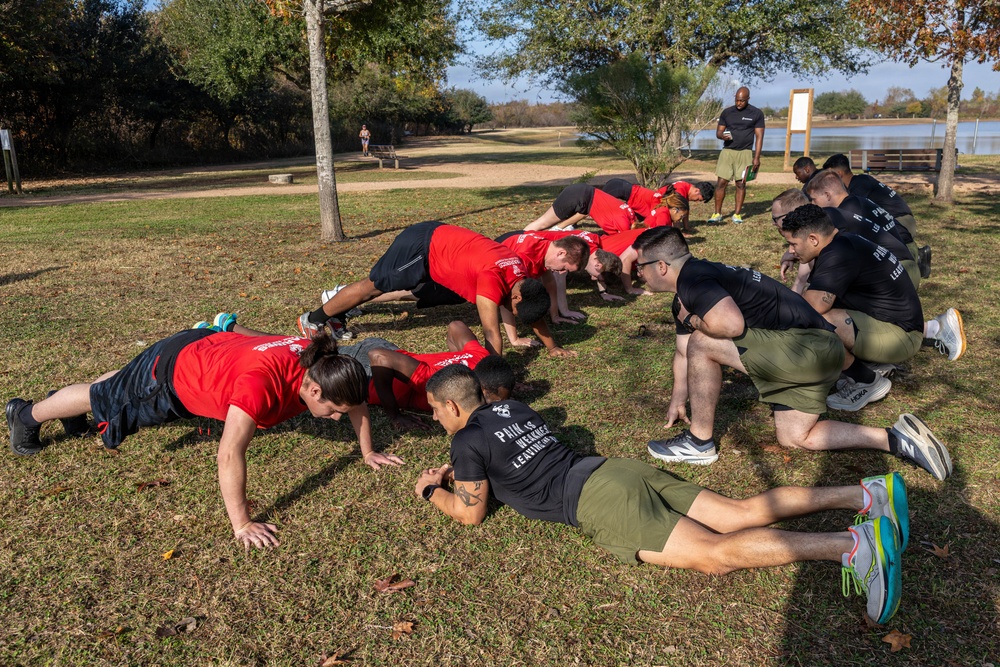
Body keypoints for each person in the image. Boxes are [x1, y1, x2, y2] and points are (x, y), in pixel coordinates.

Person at [415, 364, 907, 626]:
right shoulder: (514, 407)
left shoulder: (465, 441)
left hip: (597, 503)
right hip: (616, 470)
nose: (437, 418)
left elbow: (470, 514)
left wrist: (431, 491)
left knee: (713, 556)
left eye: (436, 410)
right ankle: (866, 493)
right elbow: (509, 460)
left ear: (453, 405)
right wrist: (463, 469)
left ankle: (854, 547)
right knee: (737, 512)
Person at [5, 327, 404, 550]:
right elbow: (229, 453)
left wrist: (367, 451)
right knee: (104, 396)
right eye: (333, 410)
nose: (337, 419)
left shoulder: (320, 362)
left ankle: (75, 415)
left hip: (205, 346)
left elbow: (355, 404)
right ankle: (25, 415)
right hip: (172, 373)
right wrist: (242, 523)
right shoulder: (260, 387)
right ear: (314, 391)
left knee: (115, 387)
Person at [632, 226, 952, 480]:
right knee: (796, 436)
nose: (638, 275)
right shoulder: (691, 286)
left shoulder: (695, 279)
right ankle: (897, 440)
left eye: (640, 267)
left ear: (661, 266)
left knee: (705, 340)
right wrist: (678, 398)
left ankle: (699, 442)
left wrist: (693, 321)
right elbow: (682, 351)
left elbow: (727, 325)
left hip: (811, 349)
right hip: (817, 351)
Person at [298, 221, 574, 358]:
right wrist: (495, 378)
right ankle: (313, 318)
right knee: (373, 288)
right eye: (514, 308)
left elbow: (531, 307)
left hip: (445, 244)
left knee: (408, 291)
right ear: (515, 295)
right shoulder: (492, 278)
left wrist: (553, 347)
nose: (513, 313)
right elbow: (491, 334)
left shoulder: (523, 276)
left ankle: (336, 316)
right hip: (423, 244)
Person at [709, 87, 765, 225]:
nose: (739, 103)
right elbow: (718, 133)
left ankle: (737, 214)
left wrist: (756, 157)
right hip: (727, 152)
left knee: (740, 184)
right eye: (737, 100)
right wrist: (723, 136)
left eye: (742, 101)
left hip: (745, 152)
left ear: (748, 99)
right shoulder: (727, 112)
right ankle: (717, 213)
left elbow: (759, 137)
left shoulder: (756, 113)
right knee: (721, 183)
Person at [601, 178, 713, 234]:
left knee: (632, 226)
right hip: (621, 189)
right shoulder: (680, 192)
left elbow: (682, 211)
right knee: (597, 209)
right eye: (698, 199)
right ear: (697, 191)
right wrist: (679, 233)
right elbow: (678, 213)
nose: (696, 201)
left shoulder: (684, 188)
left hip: (641, 206)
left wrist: (686, 227)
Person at [524, 183, 637, 234]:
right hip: (579, 197)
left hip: (585, 194)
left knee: (549, 225)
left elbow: (586, 212)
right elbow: (622, 240)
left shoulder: (630, 215)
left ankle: (557, 229)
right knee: (543, 223)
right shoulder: (624, 226)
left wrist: (560, 227)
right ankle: (516, 239)